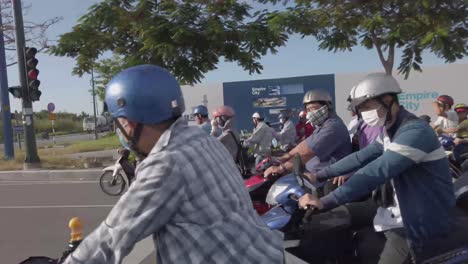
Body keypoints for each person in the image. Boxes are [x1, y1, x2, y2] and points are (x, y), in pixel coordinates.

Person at [63, 65, 284, 264]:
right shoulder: (202, 139)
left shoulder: (165, 163)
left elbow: (112, 237)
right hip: (263, 252)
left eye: (117, 124)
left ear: (128, 123)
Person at [298, 73, 458, 263]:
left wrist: (326, 200)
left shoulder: (415, 132)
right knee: (327, 223)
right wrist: (317, 176)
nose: (363, 113)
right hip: (391, 206)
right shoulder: (390, 131)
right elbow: (359, 157)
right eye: (361, 109)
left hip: (417, 218)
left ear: (388, 100)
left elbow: (378, 170)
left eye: (367, 106)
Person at [264, 89, 351, 181]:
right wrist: (285, 157)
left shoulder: (332, 127)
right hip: (312, 174)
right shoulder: (323, 125)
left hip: (326, 180)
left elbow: (307, 152)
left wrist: (281, 168)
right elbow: (306, 144)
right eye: (308, 110)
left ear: (327, 106)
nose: (310, 113)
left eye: (313, 108)